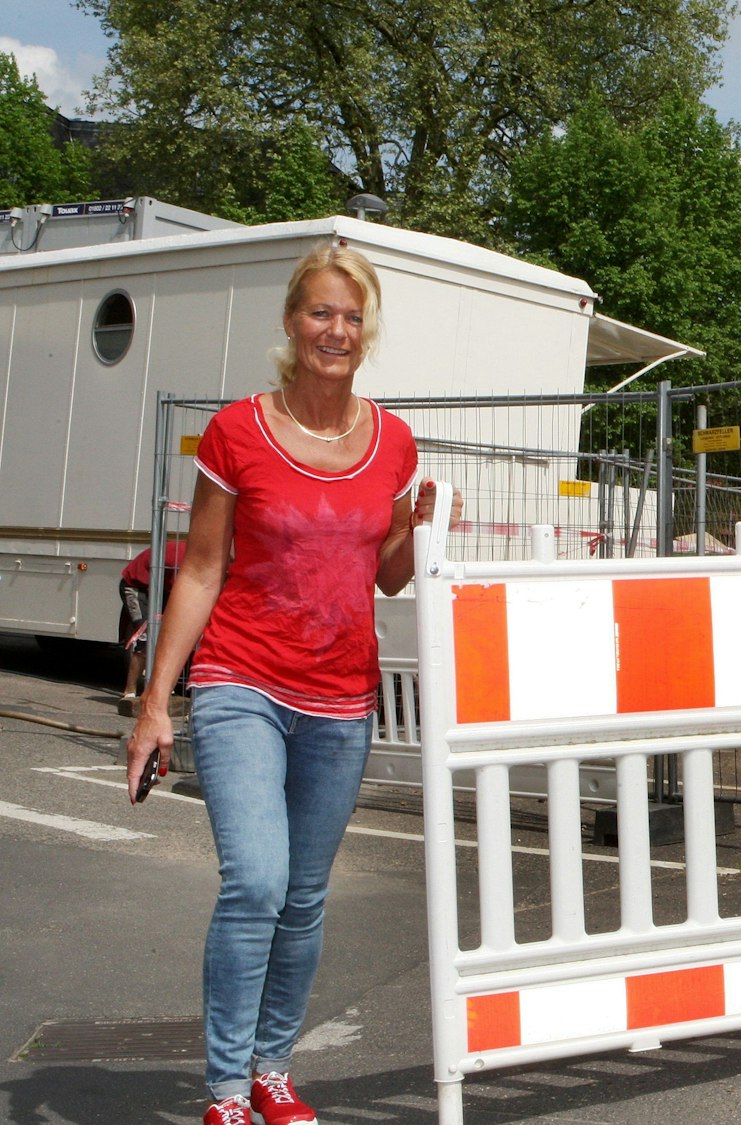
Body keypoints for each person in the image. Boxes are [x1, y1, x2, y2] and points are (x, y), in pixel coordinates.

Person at [125, 241, 457, 1125]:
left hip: (343, 700)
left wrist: (416, 533)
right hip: (242, 683)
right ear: (290, 320)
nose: (335, 330)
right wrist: (157, 704)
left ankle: (274, 1067)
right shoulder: (238, 431)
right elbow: (199, 570)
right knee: (257, 883)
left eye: (352, 316)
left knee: (305, 897)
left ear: (366, 330)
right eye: (320, 311)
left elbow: (384, 575)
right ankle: (227, 1089)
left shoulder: (392, 442)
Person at [117, 540, 187, 714]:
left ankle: (161, 688)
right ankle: (130, 691)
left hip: (159, 588)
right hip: (135, 586)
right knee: (145, 636)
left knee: (168, 637)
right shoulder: (181, 560)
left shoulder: (191, 556)